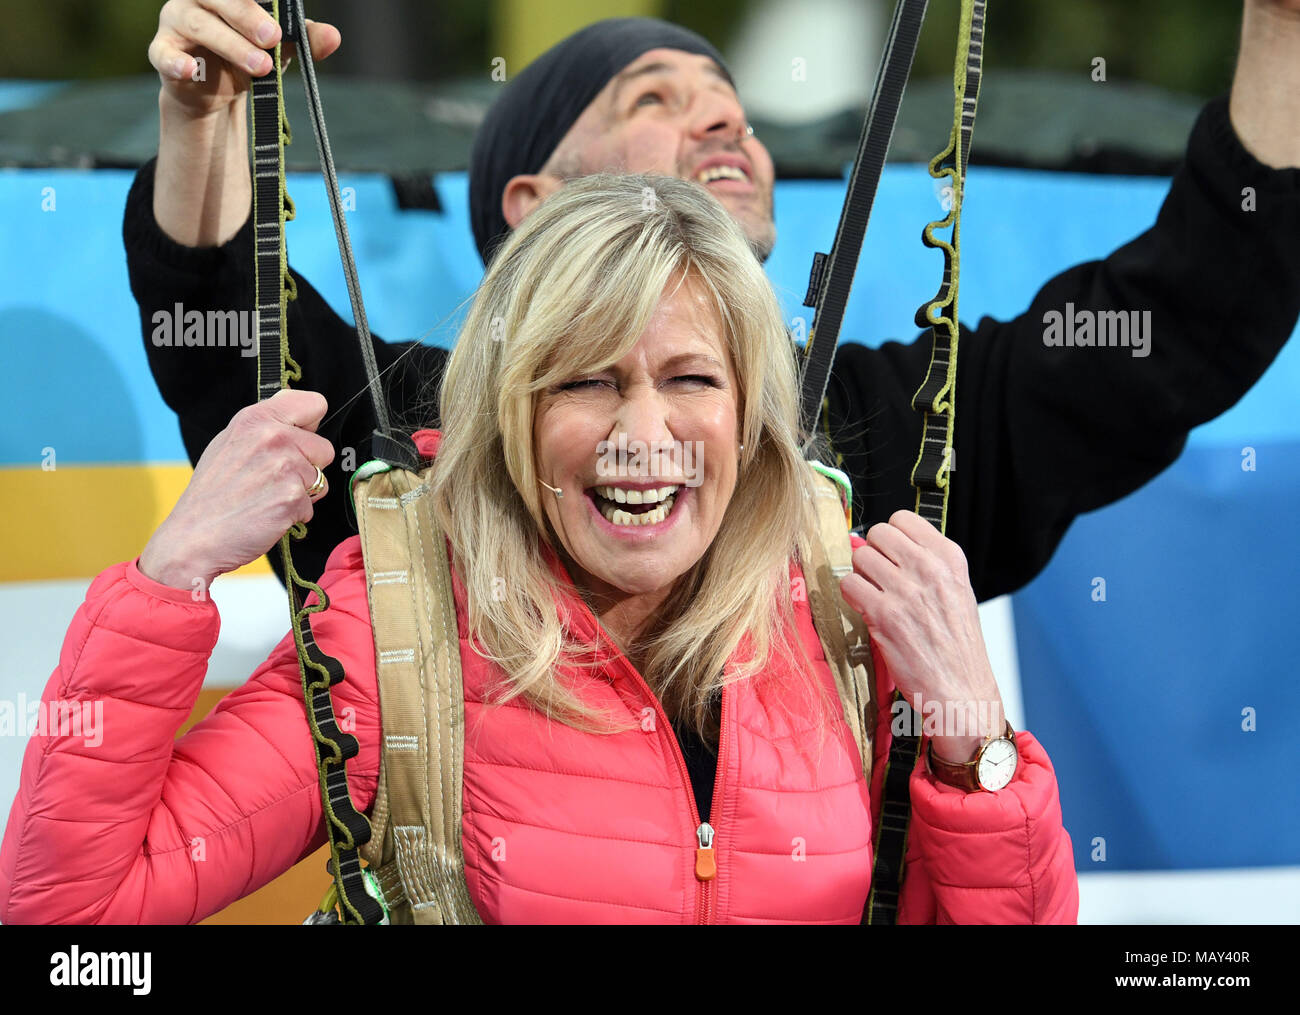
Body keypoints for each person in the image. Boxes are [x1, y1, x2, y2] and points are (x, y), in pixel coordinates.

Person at [0, 174, 1077, 924]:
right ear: (511, 411)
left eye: (690, 379)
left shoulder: (847, 618)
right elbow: (71, 913)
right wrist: (170, 576)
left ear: (752, 414)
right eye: (587, 379)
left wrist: (971, 747)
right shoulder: (401, 630)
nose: (643, 435)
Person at [128, 4, 1300, 601]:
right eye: (656, 96)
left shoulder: (883, 425)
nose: (726, 121)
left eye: (731, 102)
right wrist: (202, 115)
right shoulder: (414, 431)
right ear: (533, 203)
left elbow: (1194, 302)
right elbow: (231, 327)